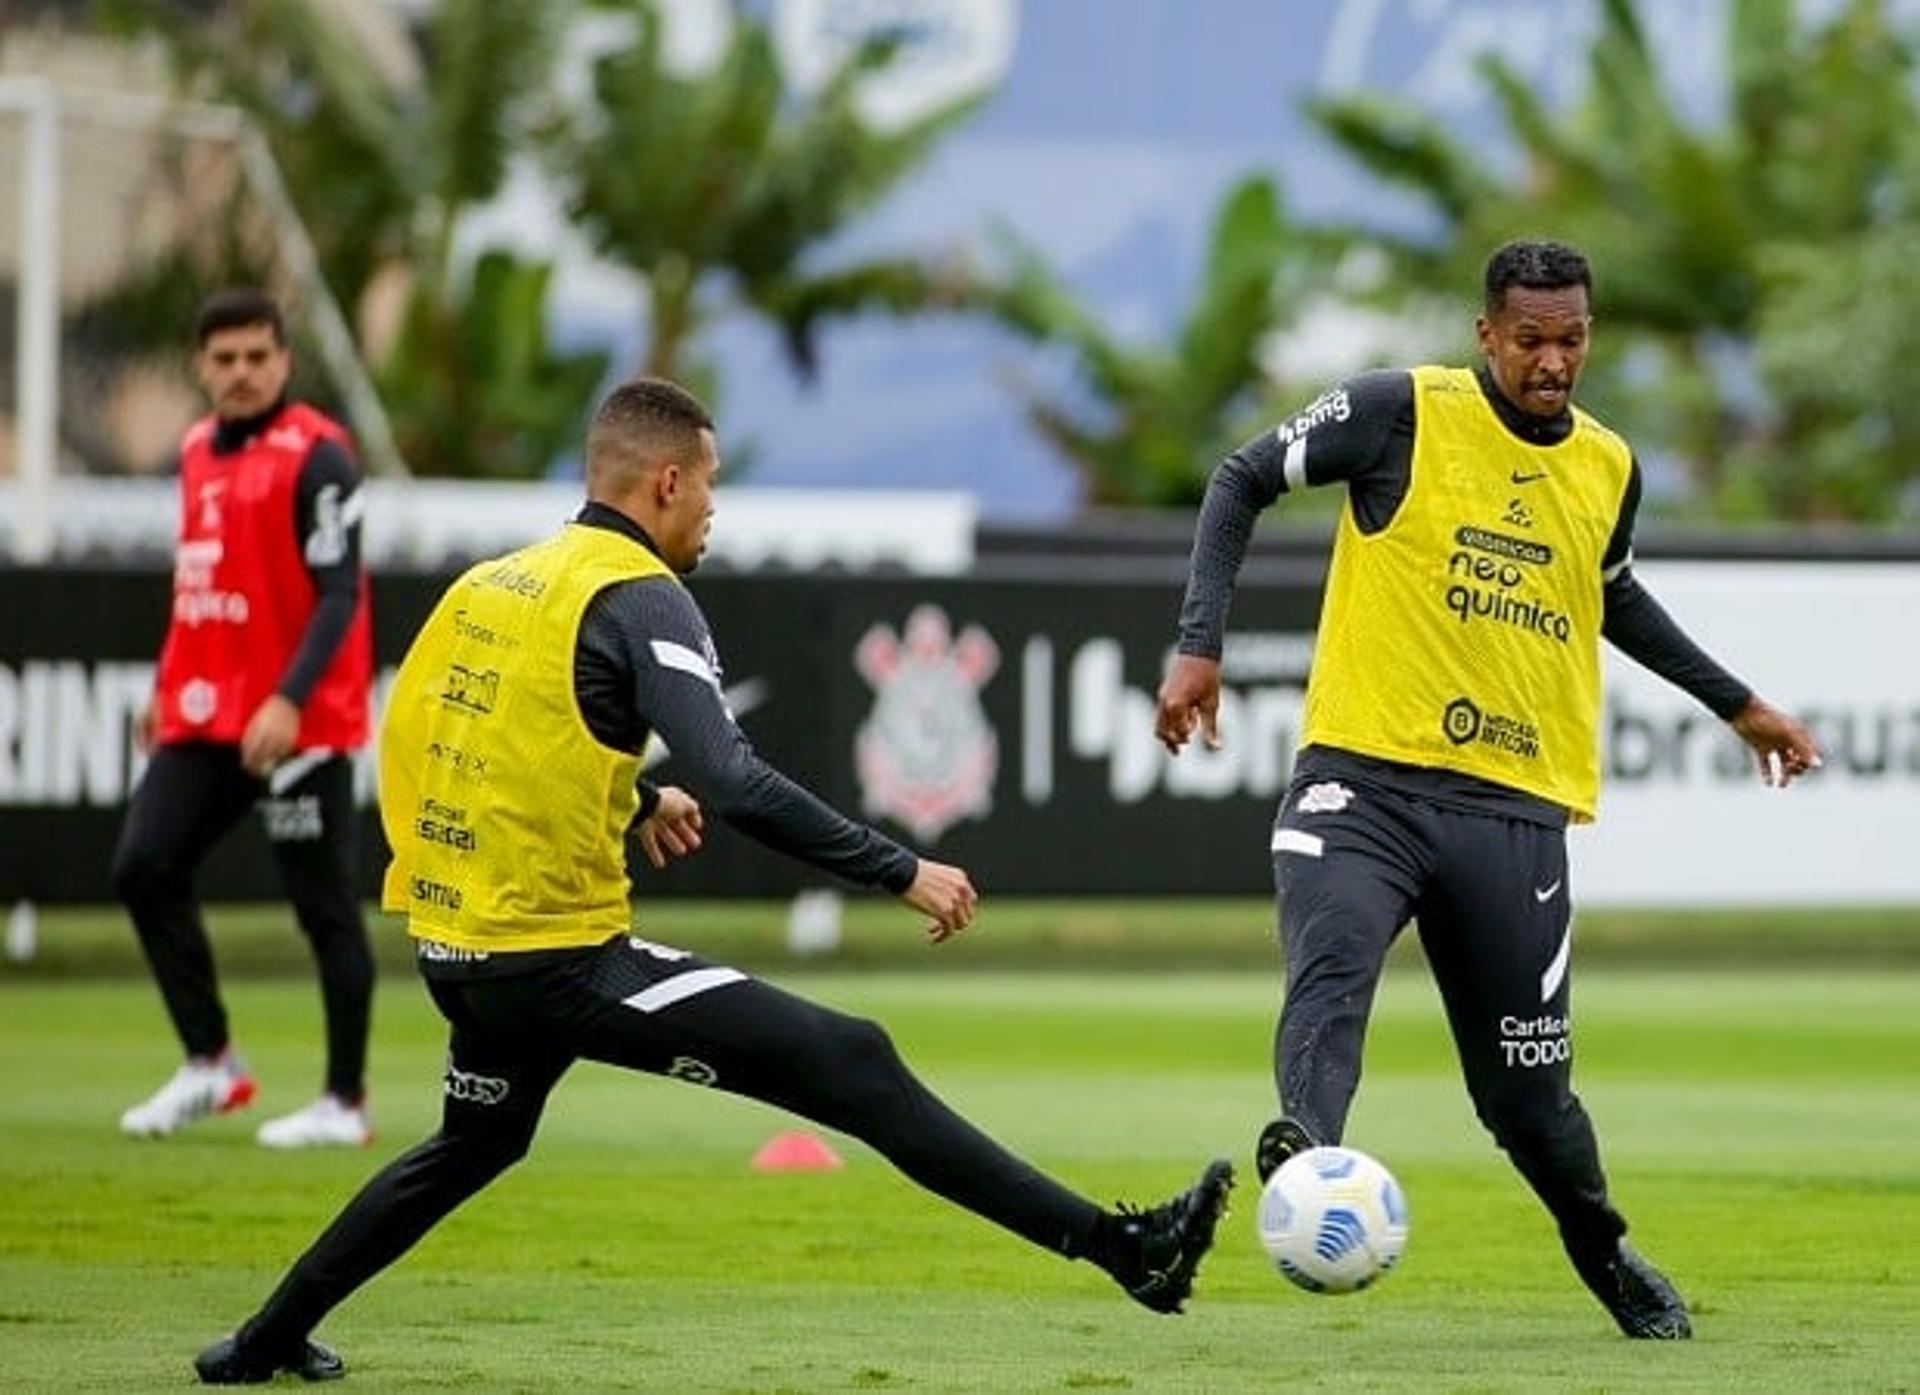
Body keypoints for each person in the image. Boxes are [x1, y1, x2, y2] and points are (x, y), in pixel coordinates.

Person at [192, 377, 1233, 1384]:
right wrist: (898, 866)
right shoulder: (644, 599)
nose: (714, 513)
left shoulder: (490, 587)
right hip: (555, 960)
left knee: (477, 1141)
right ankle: (1122, 1249)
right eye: (712, 485)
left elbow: (457, 740)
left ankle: (264, 1339)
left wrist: (637, 801)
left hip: (458, 949)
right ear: (667, 485)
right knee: (854, 1060)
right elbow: (734, 780)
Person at [1155, 240, 1822, 1340]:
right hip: (1361, 783)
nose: (1553, 362)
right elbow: (1239, 479)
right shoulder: (1395, 413)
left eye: (1571, 341)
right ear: (1485, 335)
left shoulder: (1609, 465)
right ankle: (1310, 1154)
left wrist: (1738, 702)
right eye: (1530, 341)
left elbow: (1610, 594)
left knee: (1527, 1100)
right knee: (1333, 970)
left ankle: (1605, 1254)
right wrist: (1198, 645)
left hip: (1514, 813)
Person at [115, 288, 377, 1150]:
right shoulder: (194, 450)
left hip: (295, 719)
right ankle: (210, 1059)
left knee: (324, 908)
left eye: (256, 356)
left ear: (284, 361)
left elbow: (340, 594)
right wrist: (166, 681)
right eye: (223, 359)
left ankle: (344, 1100)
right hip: (206, 710)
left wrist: (290, 697)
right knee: (145, 866)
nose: (239, 373)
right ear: (201, 365)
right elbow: (199, 580)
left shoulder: (320, 457)